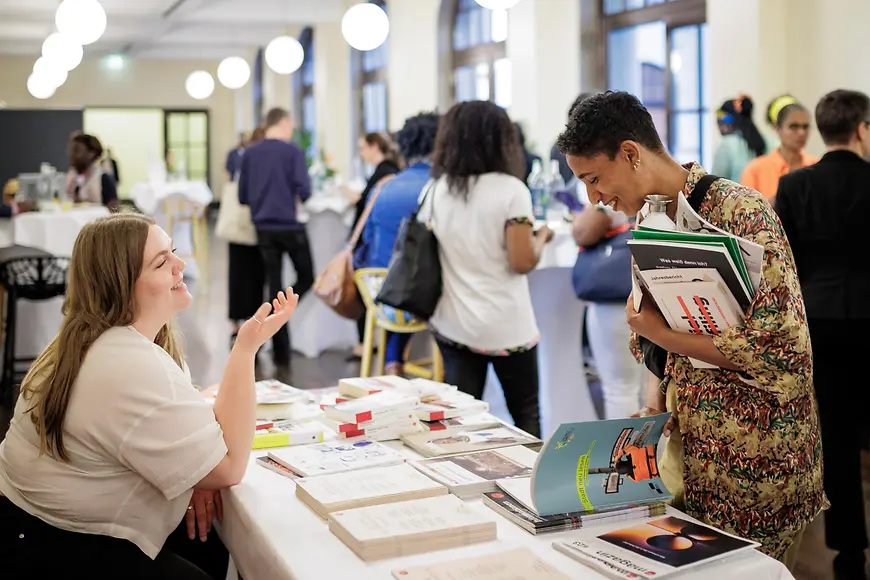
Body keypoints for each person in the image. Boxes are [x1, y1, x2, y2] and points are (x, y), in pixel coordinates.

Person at [556, 91, 824, 566]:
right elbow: (657, 343)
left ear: (631, 153)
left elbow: (777, 349)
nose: (593, 197)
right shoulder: (652, 218)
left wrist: (659, 333)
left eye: (594, 179)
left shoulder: (742, 212)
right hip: (691, 456)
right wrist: (651, 406)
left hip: (756, 458)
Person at [0, 212, 298, 578]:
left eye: (172, 251)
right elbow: (229, 468)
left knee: (208, 538)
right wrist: (246, 348)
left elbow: (188, 425)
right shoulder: (125, 361)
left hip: (32, 523)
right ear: (123, 287)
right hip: (51, 543)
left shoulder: (98, 339)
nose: (180, 264)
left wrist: (198, 475)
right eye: (162, 262)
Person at [775, 89, 870, 580]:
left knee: (834, 432)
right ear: (861, 129)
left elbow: (785, 266)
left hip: (820, 320)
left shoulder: (795, 186)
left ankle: (848, 549)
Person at [423, 101, 555, 438]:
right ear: (501, 140)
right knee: (525, 414)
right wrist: (542, 238)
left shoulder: (436, 190)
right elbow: (522, 261)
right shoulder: (512, 191)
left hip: (453, 324)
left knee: (458, 423)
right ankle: (530, 486)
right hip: (507, 327)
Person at [354, 113, 440, 374]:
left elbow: (368, 242)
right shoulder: (437, 188)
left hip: (379, 294)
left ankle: (393, 359)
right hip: (415, 300)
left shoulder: (384, 186)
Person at [239, 108, 314, 370]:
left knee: (273, 281)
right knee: (307, 276)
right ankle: (283, 325)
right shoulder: (292, 151)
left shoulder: (249, 153)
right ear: (282, 123)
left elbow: (243, 196)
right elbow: (305, 190)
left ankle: (278, 342)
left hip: (262, 226)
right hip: (289, 225)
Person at [347, 132, 403, 359]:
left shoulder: (386, 173)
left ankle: (373, 347)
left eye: (362, 148)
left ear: (374, 146)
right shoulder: (388, 172)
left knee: (366, 294)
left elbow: (368, 207)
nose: (361, 153)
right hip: (379, 246)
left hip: (375, 249)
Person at [226, 130, 266, 350]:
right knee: (255, 277)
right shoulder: (254, 157)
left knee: (238, 275)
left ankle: (236, 324)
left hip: (241, 229)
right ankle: (251, 322)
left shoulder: (246, 156)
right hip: (251, 227)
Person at [740, 95, 818, 202]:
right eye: (793, 126)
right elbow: (746, 212)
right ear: (777, 128)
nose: (801, 133)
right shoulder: (755, 170)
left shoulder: (816, 166)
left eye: (805, 127)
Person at [710, 95, 767, 182]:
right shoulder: (767, 140)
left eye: (721, 117)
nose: (718, 123)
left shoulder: (727, 145)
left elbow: (714, 185)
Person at [67, 133, 120, 210]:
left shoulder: (103, 179)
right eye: (70, 150)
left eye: (76, 150)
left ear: (91, 154)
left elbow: (115, 213)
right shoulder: (71, 177)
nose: (71, 155)